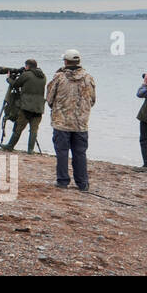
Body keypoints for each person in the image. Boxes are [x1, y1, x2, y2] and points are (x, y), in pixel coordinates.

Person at [45, 49, 96, 191]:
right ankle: (83, 183)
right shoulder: (89, 78)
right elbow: (92, 100)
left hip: (61, 122)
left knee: (62, 152)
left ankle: (62, 181)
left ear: (66, 62)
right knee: (80, 153)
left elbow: (49, 98)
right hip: (81, 123)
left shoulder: (59, 77)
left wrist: (58, 107)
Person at [1, 59, 46, 153]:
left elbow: (16, 84)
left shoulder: (26, 75)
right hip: (39, 107)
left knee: (19, 126)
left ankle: (10, 146)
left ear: (27, 66)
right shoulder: (43, 76)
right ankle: (30, 150)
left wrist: (9, 79)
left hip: (26, 106)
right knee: (34, 129)